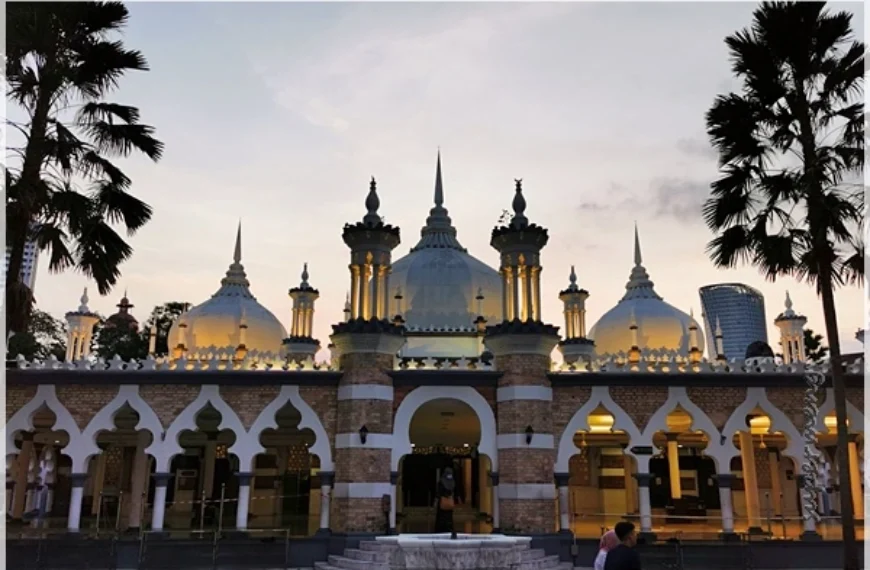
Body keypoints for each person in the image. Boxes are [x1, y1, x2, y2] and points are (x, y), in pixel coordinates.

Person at [434, 467, 457, 537]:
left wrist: (436, 501)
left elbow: (438, 492)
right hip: (449, 502)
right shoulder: (453, 482)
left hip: (442, 502)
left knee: (441, 518)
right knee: (449, 518)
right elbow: (454, 492)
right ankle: (449, 529)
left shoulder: (441, 481)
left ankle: (440, 530)